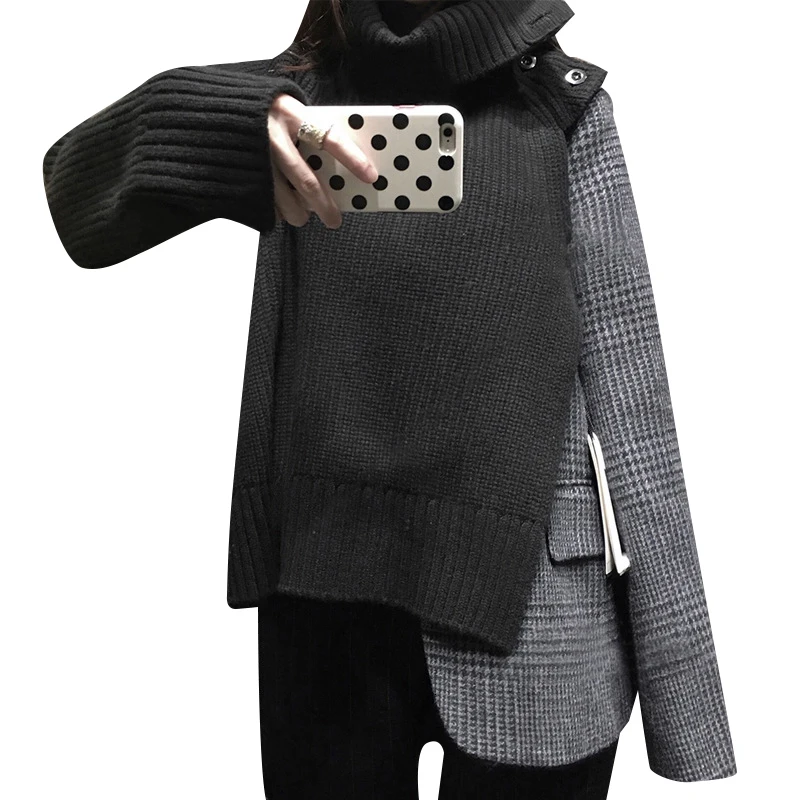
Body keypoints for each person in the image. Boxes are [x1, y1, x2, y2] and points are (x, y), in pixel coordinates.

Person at [42, 1, 737, 797]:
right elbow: (73, 193)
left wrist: (684, 703)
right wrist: (240, 123)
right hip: (325, 604)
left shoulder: (563, 107)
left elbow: (632, 392)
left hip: (537, 620)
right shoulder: (298, 106)